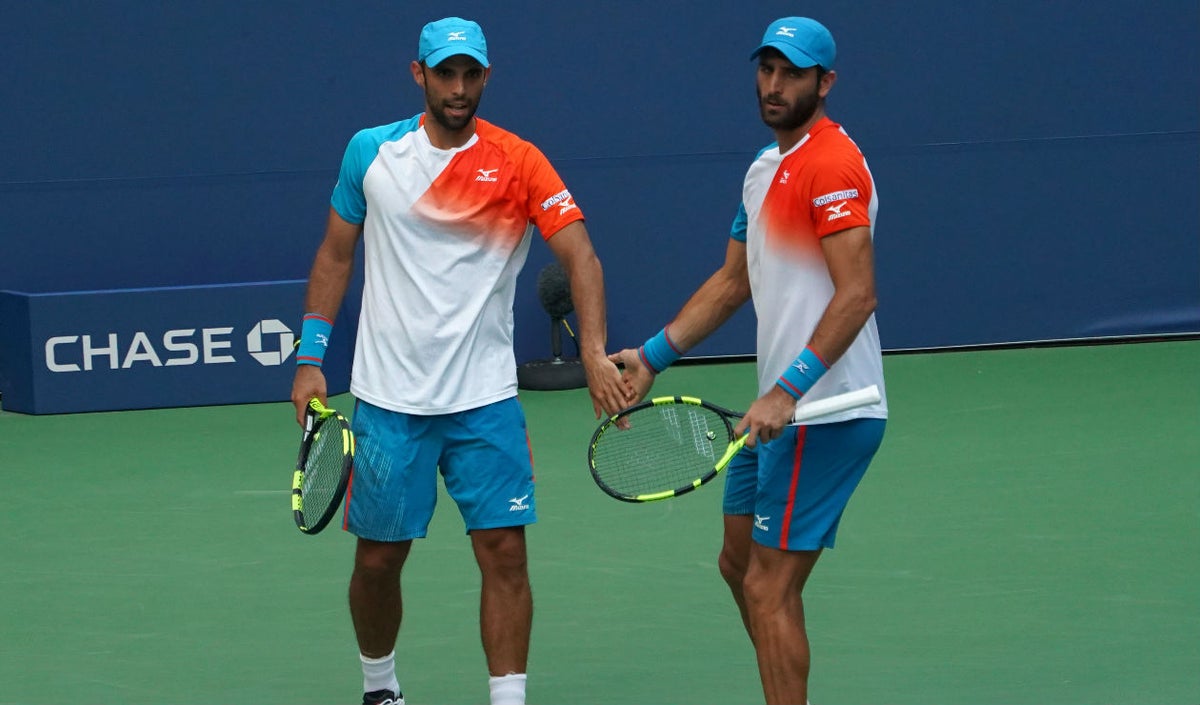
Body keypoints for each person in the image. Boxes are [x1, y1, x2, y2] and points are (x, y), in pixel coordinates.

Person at [290, 17, 630, 705]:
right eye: (445, 73)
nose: (459, 87)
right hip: (388, 401)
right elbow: (335, 253)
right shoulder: (372, 154)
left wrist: (593, 352)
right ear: (419, 75)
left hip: (485, 401)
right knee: (379, 560)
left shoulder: (520, 161)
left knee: (505, 553)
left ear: (486, 77)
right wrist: (310, 356)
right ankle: (379, 687)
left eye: (471, 74)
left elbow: (581, 255)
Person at [610, 17, 888, 705]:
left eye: (791, 72)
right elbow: (734, 280)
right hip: (777, 409)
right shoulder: (765, 169)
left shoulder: (832, 165)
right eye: (766, 68)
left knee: (769, 585)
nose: (773, 84)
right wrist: (652, 357)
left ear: (824, 84)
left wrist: (789, 390)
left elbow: (858, 296)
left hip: (825, 409)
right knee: (740, 564)